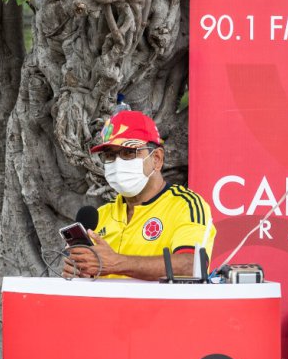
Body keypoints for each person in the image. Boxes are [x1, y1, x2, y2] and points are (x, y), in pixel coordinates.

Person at [65, 110, 216, 280]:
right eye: (110, 155)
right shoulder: (101, 215)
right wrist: (79, 271)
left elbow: (192, 266)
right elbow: (93, 270)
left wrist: (117, 263)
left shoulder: (186, 206)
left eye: (129, 152)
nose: (118, 163)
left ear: (157, 158)